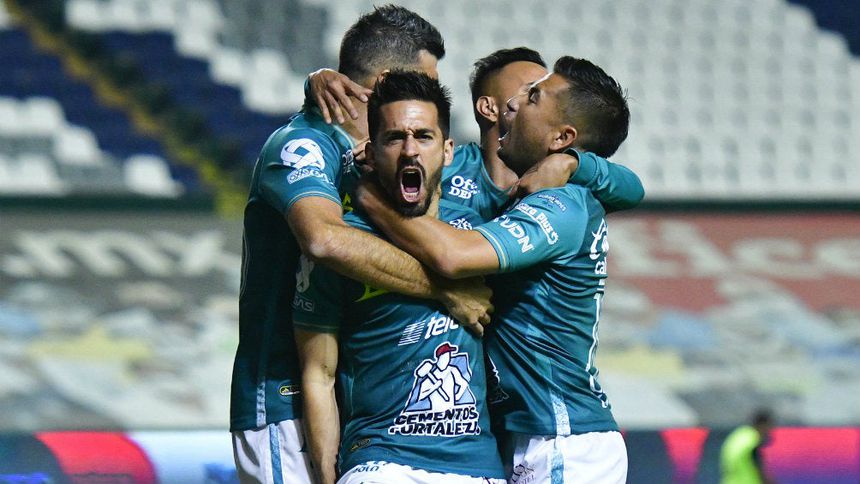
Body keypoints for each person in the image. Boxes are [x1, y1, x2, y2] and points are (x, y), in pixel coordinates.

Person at [230, 6, 493, 484]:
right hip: (285, 400)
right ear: (388, 81)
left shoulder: (381, 158)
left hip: (353, 406)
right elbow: (324, 240)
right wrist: (445, 288)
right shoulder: (303, 145)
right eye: (423, 81)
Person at [357, 57, 632, 483]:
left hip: (562, 438)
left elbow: (454, 256)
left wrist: (370, 198)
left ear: (562, 138)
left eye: (533, 97)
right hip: (531, 437)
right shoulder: (513, 186)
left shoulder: (561, 205)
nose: (514, 104)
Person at [293, 71, 506, 484]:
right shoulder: (347, 246)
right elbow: (319, 375)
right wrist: (327, 476)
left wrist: (572, 161)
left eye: (424, 137)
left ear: (447, 150)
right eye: (394, 138)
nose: (410, 150)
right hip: (382, 464)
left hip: (478, 467)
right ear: (371, 154)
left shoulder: (479, 234)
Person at [307, 47, 644, 221]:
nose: (525, 101)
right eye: (531, 90)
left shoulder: (565, 178)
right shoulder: (446, 162)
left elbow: (632, 189)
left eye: (537, 94)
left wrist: (571, 163)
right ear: (489, 108)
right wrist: (315, 83)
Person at [720, 410, 775, 484]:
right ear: (762, 425)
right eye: (769, 427)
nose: (769, 432)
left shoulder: (738, 436)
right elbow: (759, 471)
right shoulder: (752, 441)